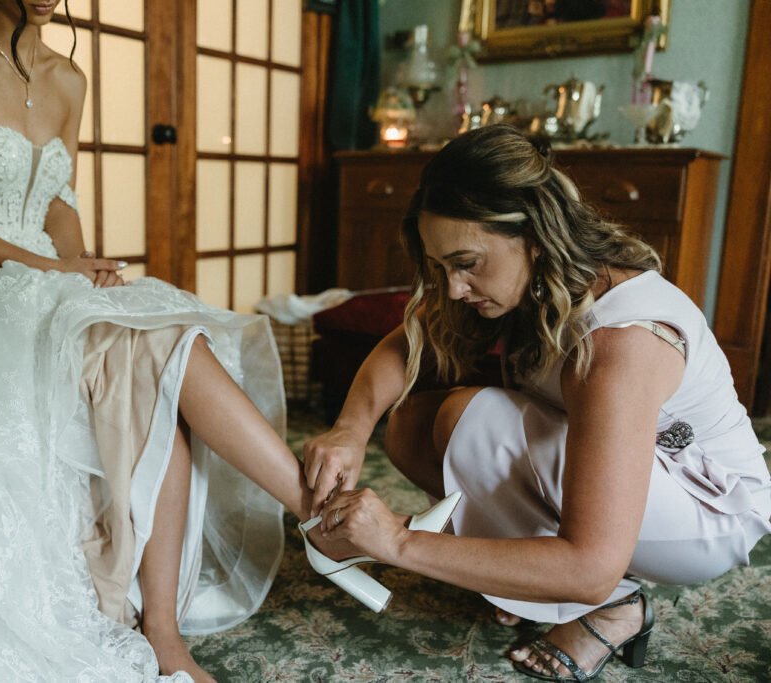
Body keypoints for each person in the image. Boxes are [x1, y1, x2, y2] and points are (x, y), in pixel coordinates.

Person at [0, 1, 390, 680]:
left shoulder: (68, 78)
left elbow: (59, 203)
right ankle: (315, 513)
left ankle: (168, 629)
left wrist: (86, 275)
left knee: (158, 353)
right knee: (150, 341)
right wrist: (55, 271)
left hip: (48, 278)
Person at [302, 124, 771, 681]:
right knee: (411, 424)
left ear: (535, 238)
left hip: (708, 512)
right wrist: (351, 429)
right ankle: (531, 576)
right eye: (442, 267)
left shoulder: (619, 346)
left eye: (467, 263)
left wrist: (398, 540)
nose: (453, 288)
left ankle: (616, 606)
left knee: (471, 418)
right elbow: (409, 343)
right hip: (629, 474)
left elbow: (590, 565)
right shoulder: (530, 281)